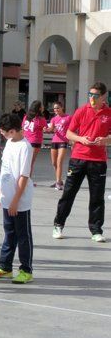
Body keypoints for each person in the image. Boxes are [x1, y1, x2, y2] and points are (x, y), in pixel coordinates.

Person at [53, 82, 111, 242]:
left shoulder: (109, 113)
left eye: (95, 96)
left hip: (98, 160)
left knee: (97, 197)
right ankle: (58, 224)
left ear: (103, 96)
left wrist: (106, 139)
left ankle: (96, 230)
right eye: (90, 95)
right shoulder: (81, 111)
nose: (92, 98)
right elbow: (69, 133)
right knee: (69, 193)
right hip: (78, 158)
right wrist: (81, 139)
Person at [0, 114, 34, 284]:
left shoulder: (25, 147)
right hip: (7, 197)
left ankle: (26, 270)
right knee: (9, 234)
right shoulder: (9, 144)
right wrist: (0, 191)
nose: (2, 135)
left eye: (4, 133)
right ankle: (5, 268)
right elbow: (5, 170)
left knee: (23, 235)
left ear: (12, 131)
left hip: (19, 200)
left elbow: (23, 176)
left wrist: (15, 201)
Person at [22, 100, 47, 185]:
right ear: (39, 108)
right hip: (35, 141)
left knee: (24, 161)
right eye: (42, 106)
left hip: (25, 141)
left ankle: (24, 179)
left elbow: (23, 128)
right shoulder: (40, 119)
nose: (43, 107)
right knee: (30, 162)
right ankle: (27, 181)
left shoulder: (26, 117)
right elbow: (46, 128)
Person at [46, 101, 70, 190]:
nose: (56, 110)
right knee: (54, 163)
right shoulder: (54, 119)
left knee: (59, 162)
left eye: (57, 108)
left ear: (62, 107)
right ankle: (58, 180)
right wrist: (47, 129)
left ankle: (58, 182)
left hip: (63, 141)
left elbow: (73, 128)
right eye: (54, 108)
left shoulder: (68, 117)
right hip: (54, 141)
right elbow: (51, 129)